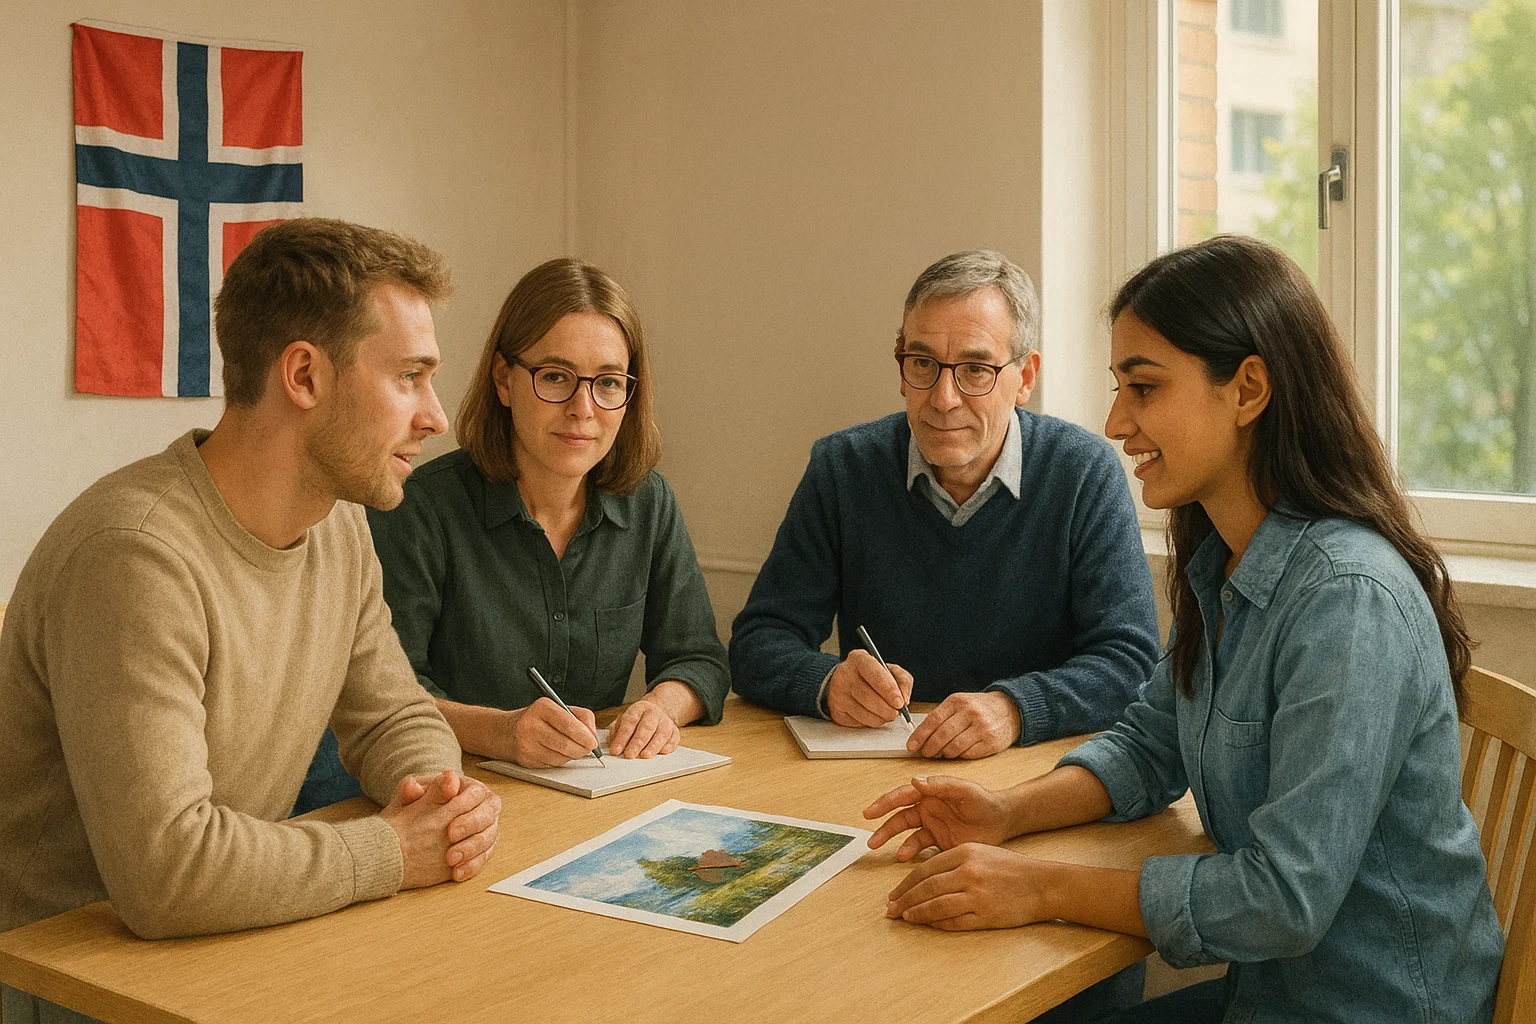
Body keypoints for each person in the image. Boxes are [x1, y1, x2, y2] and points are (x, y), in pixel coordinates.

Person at [863, 235, 1505, 1023]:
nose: (1113, 420)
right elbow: (1150, 744)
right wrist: (1009, 811)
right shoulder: (1226, 564)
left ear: (1248, 390)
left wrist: (1039, 885)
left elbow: (1283, 900)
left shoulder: (1347, 599)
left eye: (1143, 388)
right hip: (1269, 996)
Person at [0, 219, 502, 1022]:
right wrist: (389, 850)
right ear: (303, 374)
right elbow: (169, 873)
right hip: (80, 984)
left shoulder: (335, 528)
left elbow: (394, 715)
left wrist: (439, 799)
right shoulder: (135, 557)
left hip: (220, 950)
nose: (436, 416)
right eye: (409, 377)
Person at [301, 256, 728, 796]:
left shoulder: (650, 503)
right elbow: (380, 698)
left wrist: (662, 706)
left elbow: (699, 659)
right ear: (504, 379)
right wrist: (502, 732)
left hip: (594, 796)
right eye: (555, 377)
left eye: (609, 383)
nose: (583, 408)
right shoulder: (418, 508)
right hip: (449, 793)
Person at [730, 249, 1160, 759]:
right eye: (923, 363)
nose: (943, 397)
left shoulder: (1084, 472)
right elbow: (759, 641)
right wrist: (826, 684)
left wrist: (1014, 708)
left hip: (1030, 768)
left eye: (976, 370)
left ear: (1025, 378)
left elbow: (1129, 661)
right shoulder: (844, 467)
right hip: (882, 764)